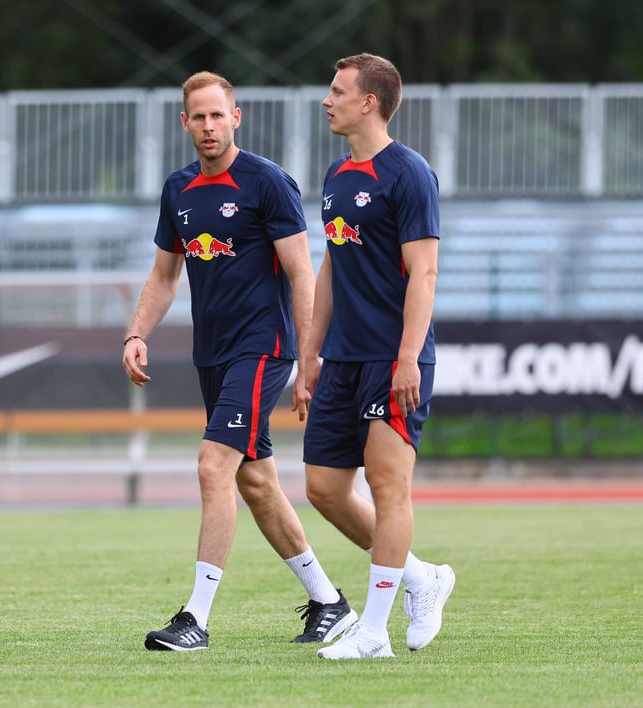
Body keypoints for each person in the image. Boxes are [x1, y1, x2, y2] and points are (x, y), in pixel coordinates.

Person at [122, 71, 356, 652]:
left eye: (217, 115)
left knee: (213, 465)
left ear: (236, 117)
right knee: (255, 481)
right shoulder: (178, 189)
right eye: (198, 117)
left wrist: (308, 359)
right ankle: (330, 603)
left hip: (263, 346)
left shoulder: (267, 182)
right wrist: (136, 333)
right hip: (213, 354)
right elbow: (164, 275)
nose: (209, 126)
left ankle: (195, 619)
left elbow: (302, 273)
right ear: (185, 123)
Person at [304, 53, 455, 660]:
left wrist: (409, 357)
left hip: (393, 358)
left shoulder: (409, 173)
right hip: (342, 360)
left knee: (388, 486)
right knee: (323, 488)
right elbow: (330, 268)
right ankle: (422, 577)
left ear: (369, 102)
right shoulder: (337, 175)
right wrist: (310, 353)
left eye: (337, 91)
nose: (327, 100)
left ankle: (373, 633)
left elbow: (425, 273)